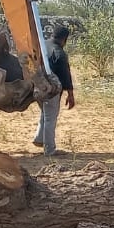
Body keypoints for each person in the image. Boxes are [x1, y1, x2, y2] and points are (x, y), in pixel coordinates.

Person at [33, 25, 75, 156]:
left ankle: (39, 139)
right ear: (64, 39)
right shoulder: (59, 53)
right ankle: (50, 150)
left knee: (45, 113)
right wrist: (70, 95)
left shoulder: (42, 44)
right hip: (52, 89)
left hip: (37, 87)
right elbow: (65, 76)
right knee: (50, 118)